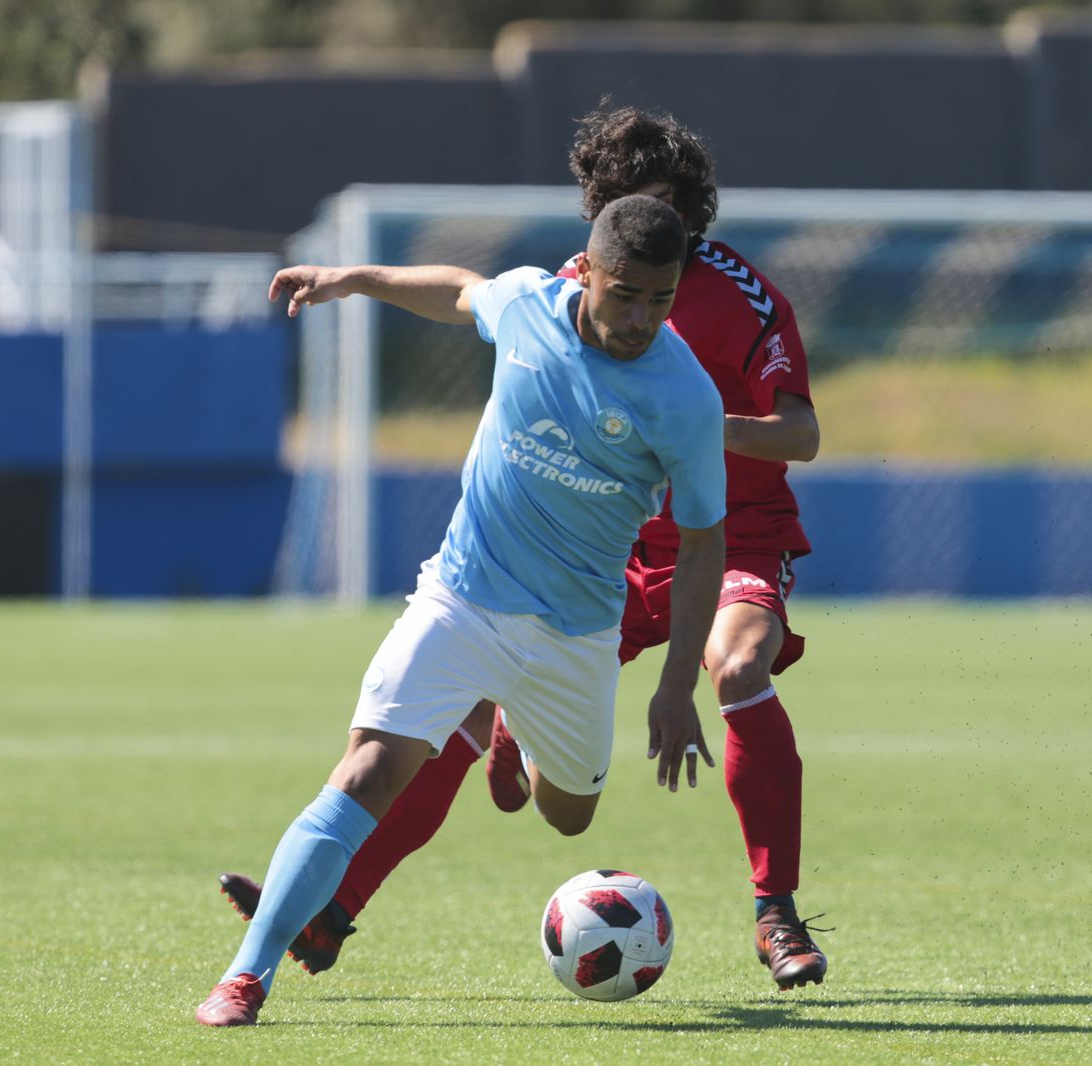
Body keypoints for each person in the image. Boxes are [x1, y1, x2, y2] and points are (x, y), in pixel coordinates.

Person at [216, 104, 831, 992]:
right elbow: (476, 300)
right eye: (617, 208)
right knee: (462, 718)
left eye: (657, 206)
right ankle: (330, 911)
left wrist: (685, 428)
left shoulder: (742, 300)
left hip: (730, 535)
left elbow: (800, 435)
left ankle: (775, 912)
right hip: (607, 555)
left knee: (733, 669)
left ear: (688, 209)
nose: (637, 231)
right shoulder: (574, 285)